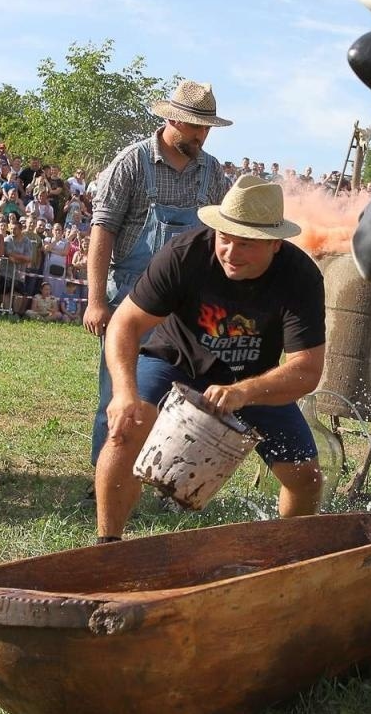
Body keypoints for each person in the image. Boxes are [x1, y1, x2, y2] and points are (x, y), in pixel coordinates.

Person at [95, 175, 325, 540]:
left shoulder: (301, 278)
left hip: (251, 380)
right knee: (126, 428)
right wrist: (123, 393)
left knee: (306, 478)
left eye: (246, 244)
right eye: (226, 239)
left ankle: (285, 552)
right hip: (175, 362)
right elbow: (125, 323)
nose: (231, 253)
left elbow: (307, 369)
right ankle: (106, 545)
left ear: (275, 244)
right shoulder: (185, 254)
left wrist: (244, 392)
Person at [83, 80, 233, 468]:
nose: (202, 135)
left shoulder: (212, 172)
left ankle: (168, 481)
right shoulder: (132, 162)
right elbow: (102, 230)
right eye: (194, 126)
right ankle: (106, 480)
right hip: (132, 302)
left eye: (206, 128)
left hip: (190, 309)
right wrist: (96, 300)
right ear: (171, 119)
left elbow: (228, 230)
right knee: (119, 395)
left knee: (185, 400)